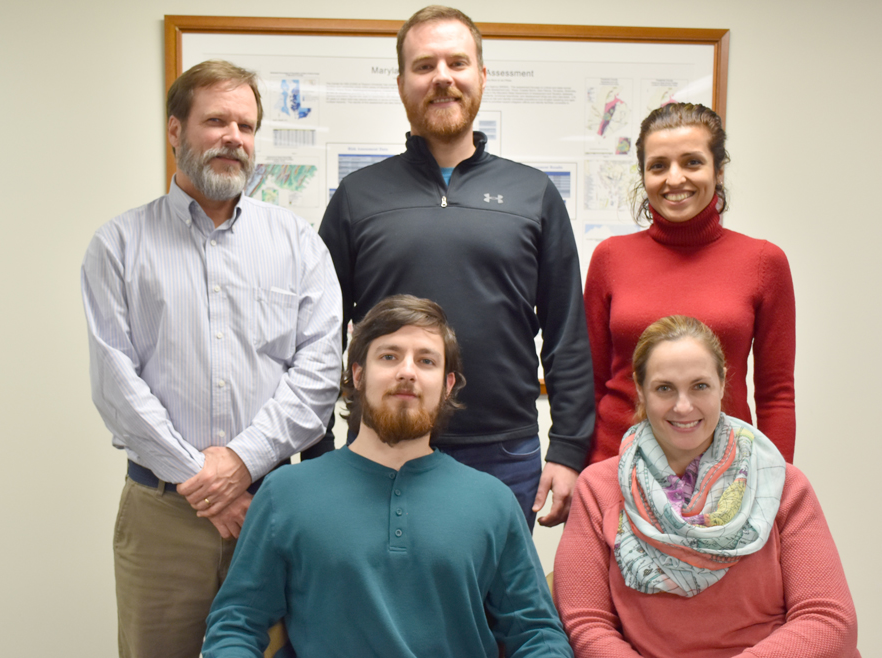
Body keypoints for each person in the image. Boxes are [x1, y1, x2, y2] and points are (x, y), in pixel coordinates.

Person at [80, 59, 342, 658]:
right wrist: (204, 481)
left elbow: (318, 373)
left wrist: (242, 464)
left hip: (271, 510)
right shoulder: (119, 245)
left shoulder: (299, 244)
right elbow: (115, 383)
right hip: (162, 519)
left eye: (246, 126)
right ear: (175, 131)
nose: (234, 138)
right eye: (216, 121)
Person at [318, 5, 594, 529]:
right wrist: (318, 448)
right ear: (401, 83)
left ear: (481, 77)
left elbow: (566, 333)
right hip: (380, 451)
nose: (442, 77)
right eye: (424, 66)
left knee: (490, 610)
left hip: (502, 455)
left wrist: (568, 448)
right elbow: (319, 336)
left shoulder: (533, 193)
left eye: (457, 63)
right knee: (379, 607)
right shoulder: (357, 197)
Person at [202, 295, 572, 658]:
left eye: (426, 361)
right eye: (389, 356)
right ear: (358, 375)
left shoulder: (493, 501)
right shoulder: (285, 493)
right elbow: (236, 624)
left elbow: (538, 632)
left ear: (447, 386)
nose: (407, 371)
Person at [553, 315, 859, 657]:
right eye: (664, 388)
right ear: (640, 389)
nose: (683, 407)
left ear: (722, 383)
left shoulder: (782, 484)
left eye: (699, 386)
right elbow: (585, 624)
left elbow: (829, 619)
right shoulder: (599, 490)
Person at [584, 102, 796, 465]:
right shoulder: (609, 258)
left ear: (719, 171)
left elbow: (776, 394)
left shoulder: (764, 262)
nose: (675, 178)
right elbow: (589, 383)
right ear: (644, 175)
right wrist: (580, 470)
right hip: (617, 466)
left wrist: (777, 483)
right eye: (659, 166)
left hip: (727, 475)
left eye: (692, 162)